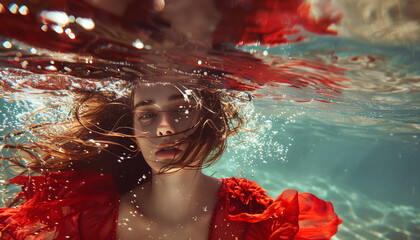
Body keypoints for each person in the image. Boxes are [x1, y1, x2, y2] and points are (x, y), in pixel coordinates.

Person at [0, 80, 341, 239]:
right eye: (146, 116)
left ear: (209, 118)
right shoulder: (87, 214)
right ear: (131, 130)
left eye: (180, 110)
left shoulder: (251, 216)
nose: (164, 128)